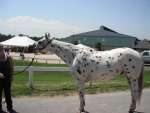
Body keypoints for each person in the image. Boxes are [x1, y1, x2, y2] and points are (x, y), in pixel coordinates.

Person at [0, 44, 14, 112]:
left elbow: (11, 68)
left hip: (7, 77)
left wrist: (11, 76)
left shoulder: (8, 57)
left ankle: (9, 106)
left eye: (1, 48)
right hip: (0, 78)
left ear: (3, 48)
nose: (0, 49)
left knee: (7, 92)